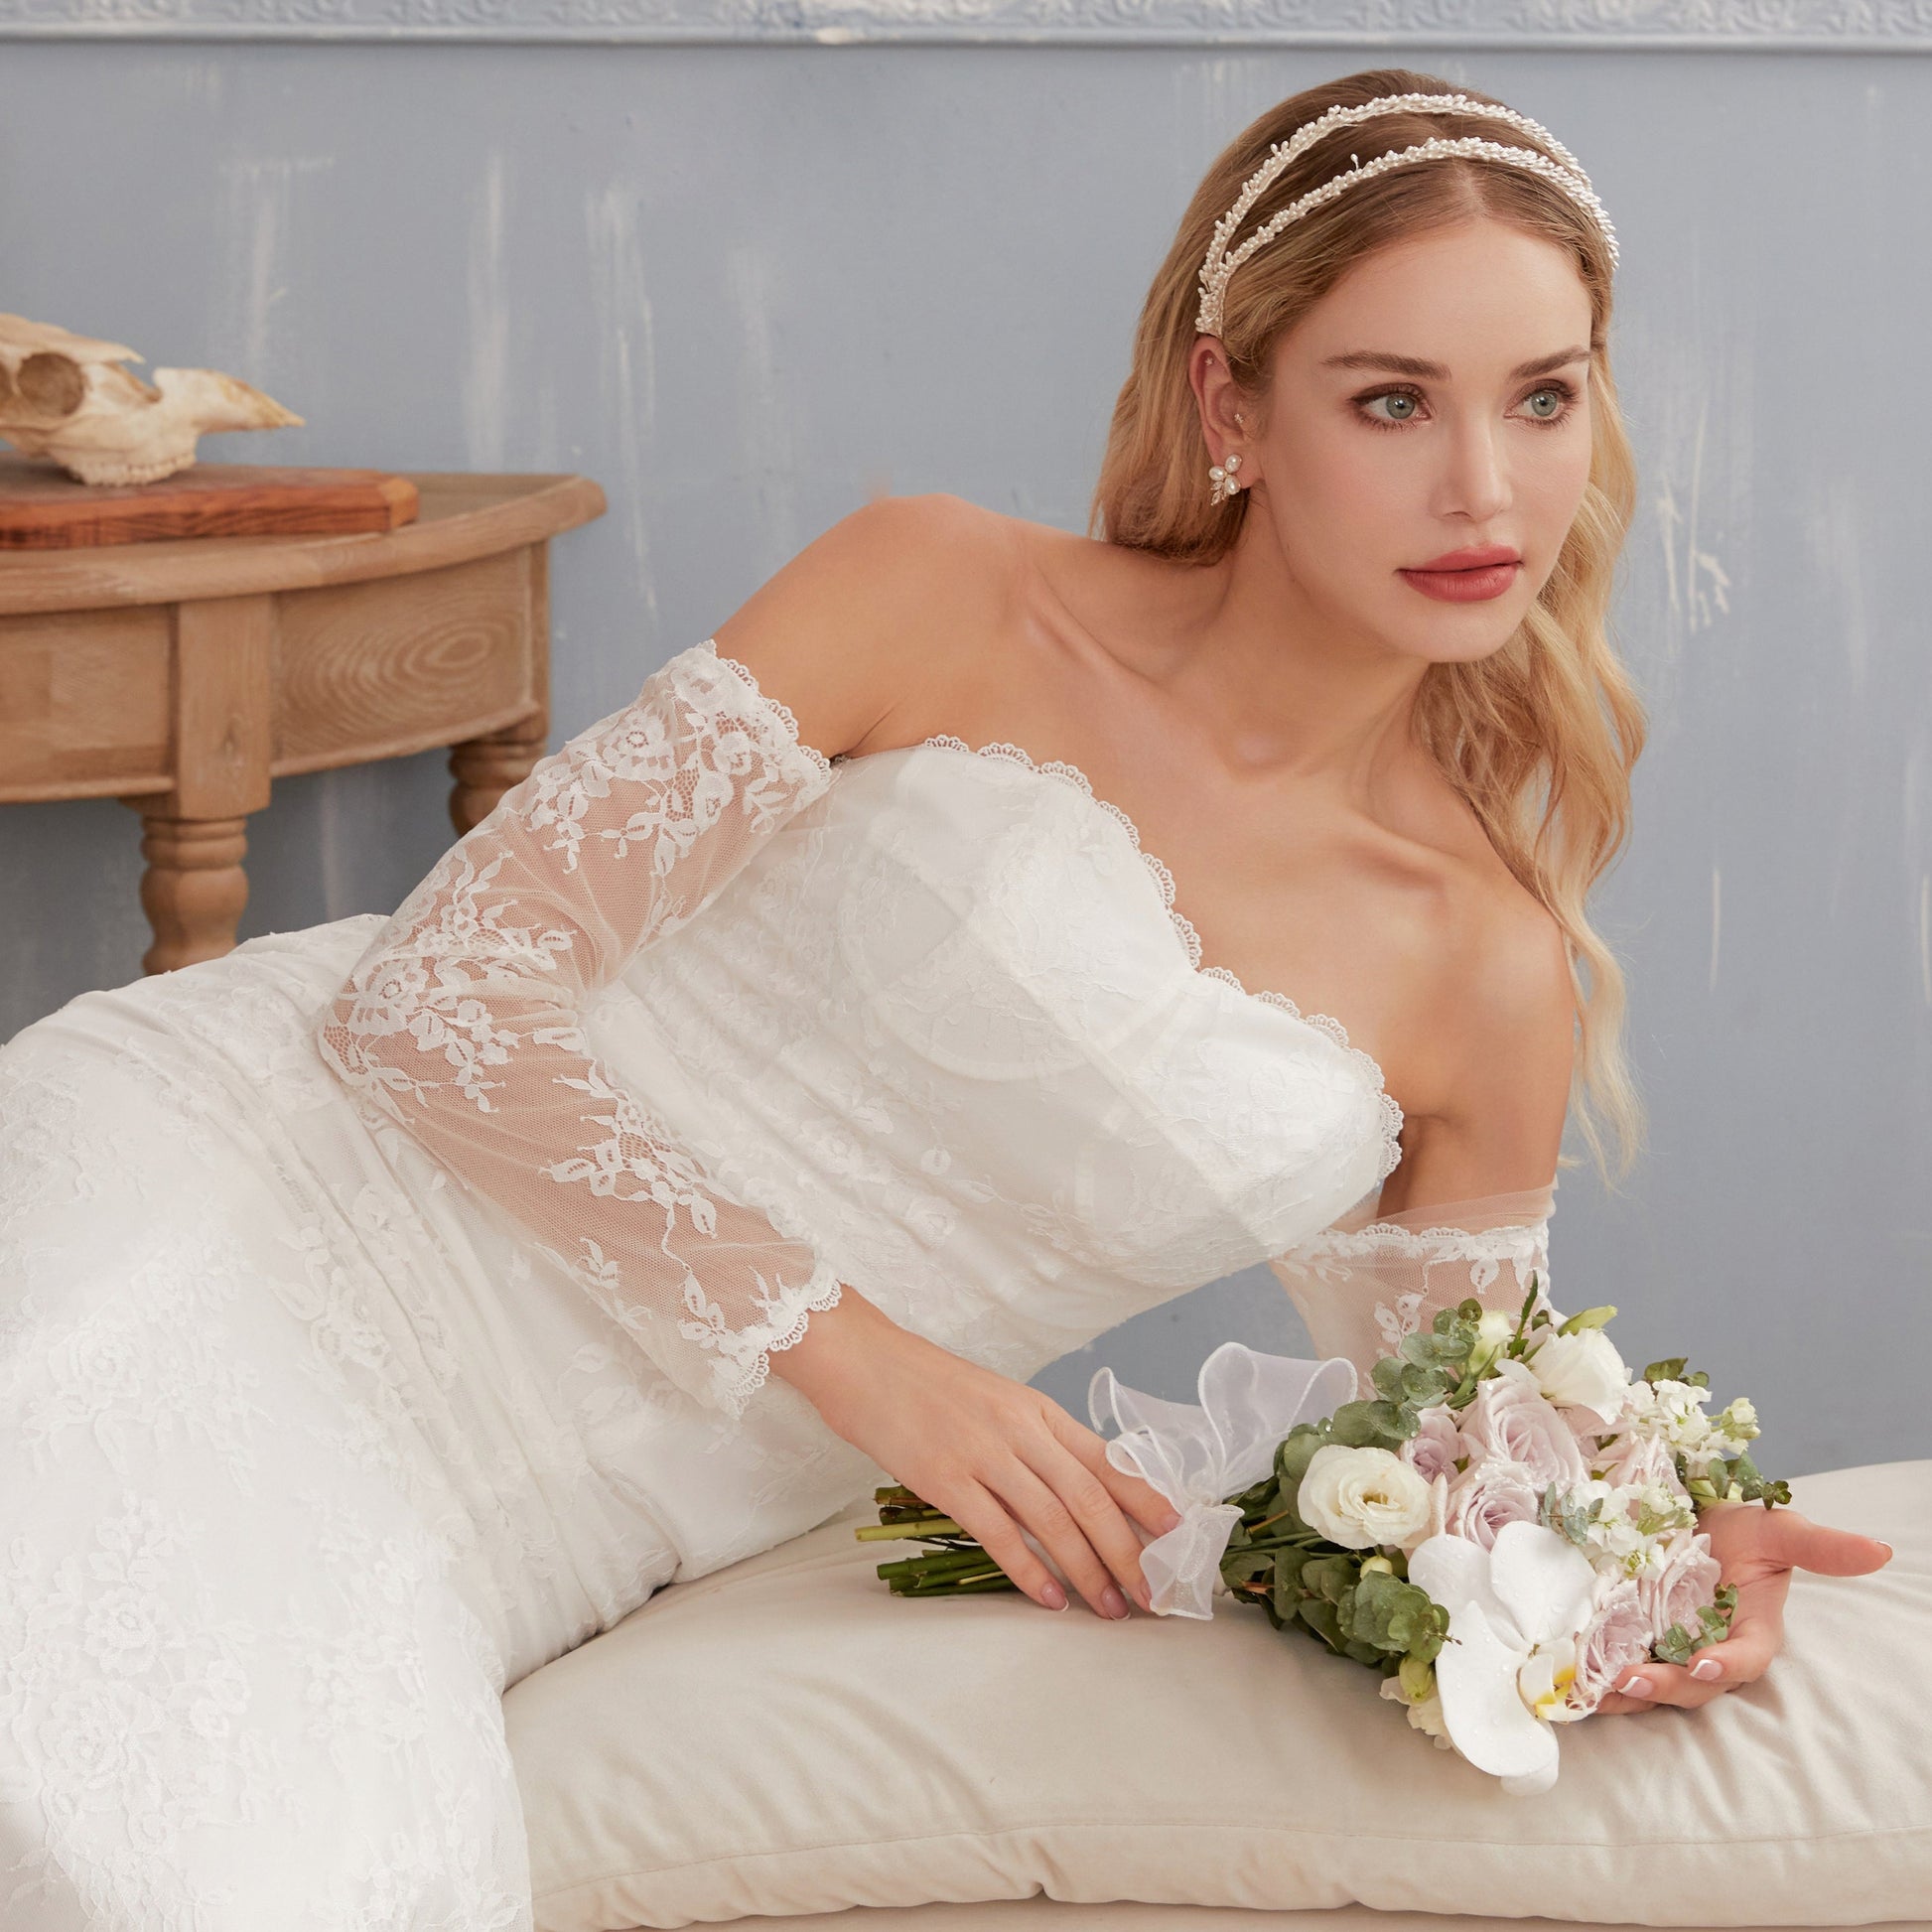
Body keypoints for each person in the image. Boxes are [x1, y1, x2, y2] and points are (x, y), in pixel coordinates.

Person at [0, 67, 1891, 1930]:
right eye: (1390, 400)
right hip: (256, 1190)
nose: (1484, 487)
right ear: (1230, 403)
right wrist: (870, 1358)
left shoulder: (1482, 969)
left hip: (553, 1507)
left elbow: (1475, 1456)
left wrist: (1644, 1560)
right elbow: (437, 1000)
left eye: (1541, 399)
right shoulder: (945, 592)